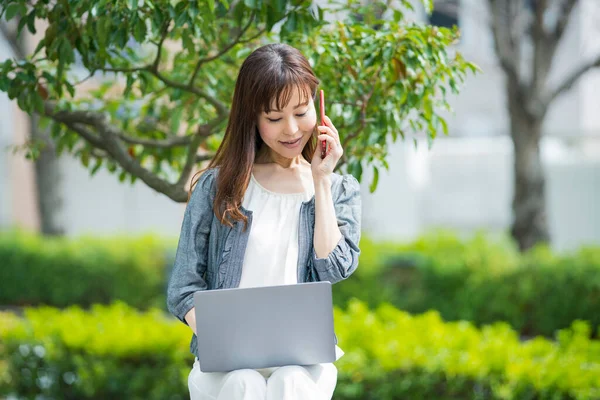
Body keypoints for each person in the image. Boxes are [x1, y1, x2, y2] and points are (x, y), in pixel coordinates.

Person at [167, 42, 362, 400]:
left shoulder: (338, 189)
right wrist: (223, 341)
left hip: (303, 365)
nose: (291, 129)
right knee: (245, 383)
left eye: (302, 112)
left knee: (289, 380)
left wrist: (320, 179)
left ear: (318, 109)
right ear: (251, 118)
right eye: (273, 118)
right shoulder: (218, 186)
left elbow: (334, 268)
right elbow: (183, 287)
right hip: (226, 366)